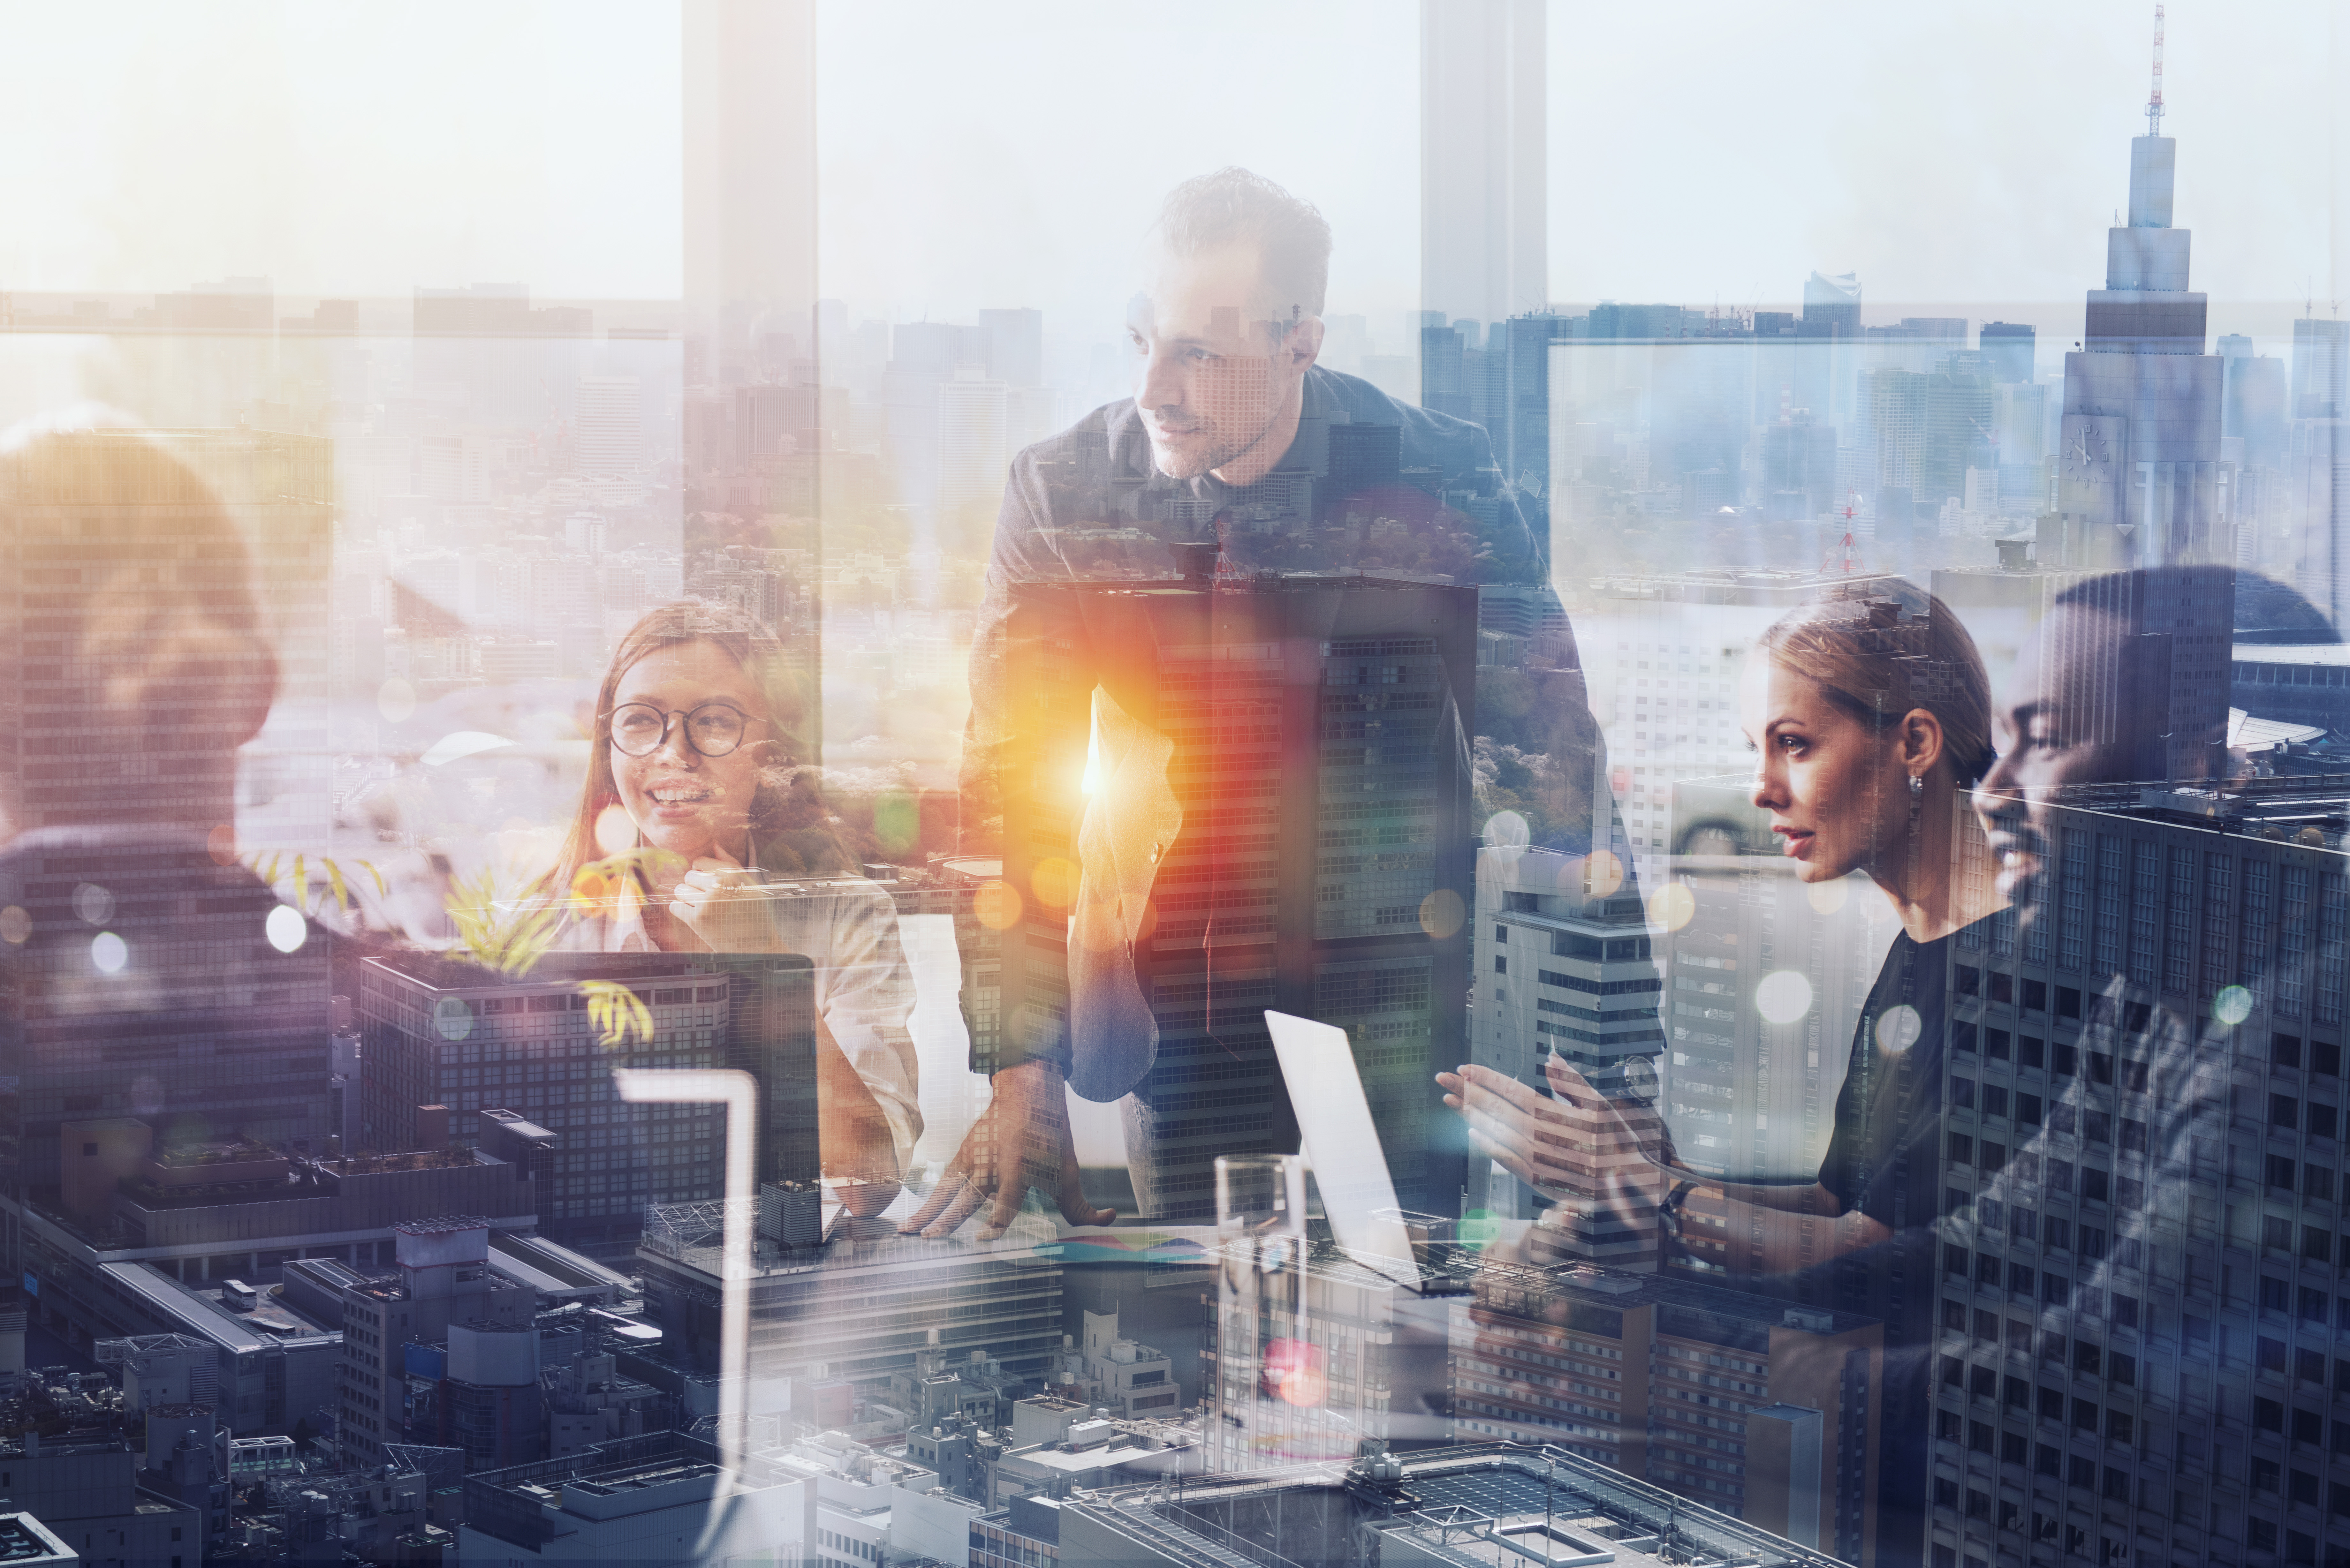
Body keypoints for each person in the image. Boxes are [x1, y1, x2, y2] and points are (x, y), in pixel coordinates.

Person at [915, 166, 1605, 1238]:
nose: (1156, 387)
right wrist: (1020, 1071)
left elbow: (1557, 772)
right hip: (1192, 1008)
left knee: (1395, 1317)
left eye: (1203, 352)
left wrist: (1601, 1088)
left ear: (1302, 343)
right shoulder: (1065, 495)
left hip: (1394, 1000)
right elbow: (1007, 794)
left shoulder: (1440, 479)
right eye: (1147, 339)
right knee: (1198, 1333)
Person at [1440, 577, 2002, 1560]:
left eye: (1796, 744)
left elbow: (1867, 1257)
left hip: (1918, 1467)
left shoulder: (1998, 978)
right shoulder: (1924, 947)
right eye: (1759, 750)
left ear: (1915, 744)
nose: (1762, 787)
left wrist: (1652, 1192)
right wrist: (1668, 1179)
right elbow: (1839, 1201)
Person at [543, 600, 917, 1206]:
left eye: (715, 722)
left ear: (771, 754)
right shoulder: (549, 922)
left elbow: (871, 1184)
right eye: (641, 720)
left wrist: (767, 965)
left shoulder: (846, 913)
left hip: (783, 1275)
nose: (674, 752)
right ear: (608, 749)